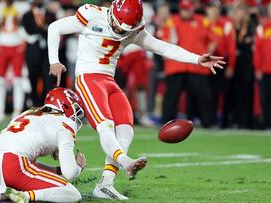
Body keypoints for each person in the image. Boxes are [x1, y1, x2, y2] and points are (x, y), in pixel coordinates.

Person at [47, 0, 225, 200]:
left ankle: (106, 183)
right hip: (88, 78)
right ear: (112, 13)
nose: (120, 32)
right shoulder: (91, 15)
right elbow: (55, 28)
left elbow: (163, 48)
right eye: (117, 27)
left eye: (125, 30)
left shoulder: (133, 29)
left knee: (126, 127)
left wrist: (196, 59)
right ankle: (125, 161)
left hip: (109, 80)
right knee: (105, 126)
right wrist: (54, 60)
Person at [0, 87, 85, 203]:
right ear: (66, 105)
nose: (76, 115)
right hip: (12, 165)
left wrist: (56, 170)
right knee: (72, 194)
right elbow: (69, 173)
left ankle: (4, 189)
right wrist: (79, 167)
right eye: (75, 109)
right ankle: (26, 196)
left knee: (25, 161)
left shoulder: (28, 113)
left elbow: (25, 158)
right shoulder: (65, 125)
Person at [161, 0, 217, 128]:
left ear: (192, 8)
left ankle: (207, 122)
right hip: (176, 65)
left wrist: (208, 54)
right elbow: (165, 40)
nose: (185, 12)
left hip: (196, 66)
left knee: (202, 95)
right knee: (171, 95)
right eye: (183, 9)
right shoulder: (172, 21)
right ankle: (166, 122)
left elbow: (213, 40)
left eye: (187, 9)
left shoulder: (203, 21)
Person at [0, 0, 25, 123]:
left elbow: (25, 25)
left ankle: (17, 111)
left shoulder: (21, 6)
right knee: (0, 80)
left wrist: (18, 17)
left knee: (17, 80)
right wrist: (1, 17)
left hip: (17, 45)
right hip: (3, 45)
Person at [254, 2, 271, 129]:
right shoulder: (262, 28)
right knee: (266, 98)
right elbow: (257, 50)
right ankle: (267, 123)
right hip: (266, 69)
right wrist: (258, 67)